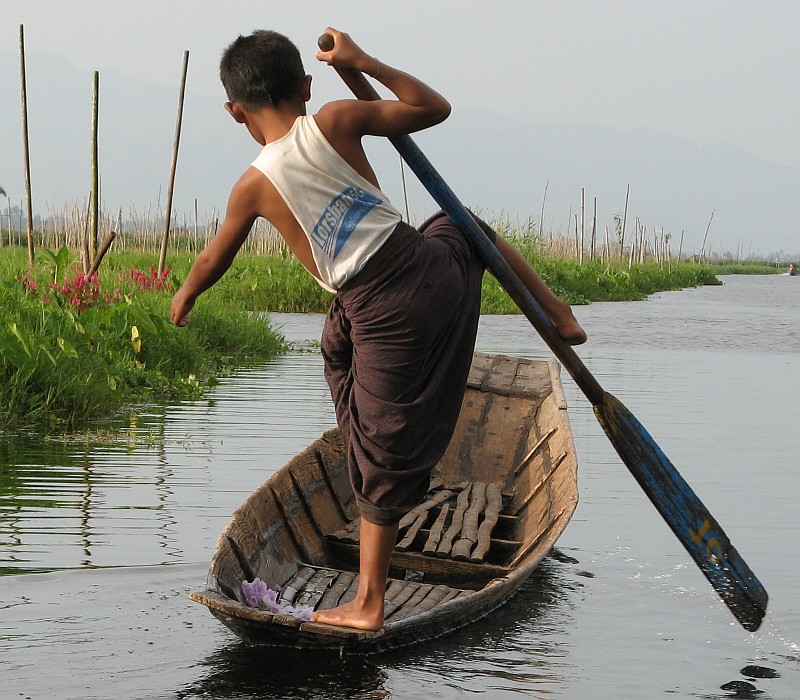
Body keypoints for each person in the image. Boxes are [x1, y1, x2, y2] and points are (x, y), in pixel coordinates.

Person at [170, 27, 586, 632]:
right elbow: (432, 107)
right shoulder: (337, 117)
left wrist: (183, 296)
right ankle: (557, 313)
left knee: (381, 453)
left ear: (236, 112)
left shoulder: (253, 185)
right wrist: (361, 62)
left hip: (386, 311)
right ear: (307, 87)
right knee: (460, 225)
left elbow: (214, 259)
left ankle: (368, 601)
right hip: (425, 266)